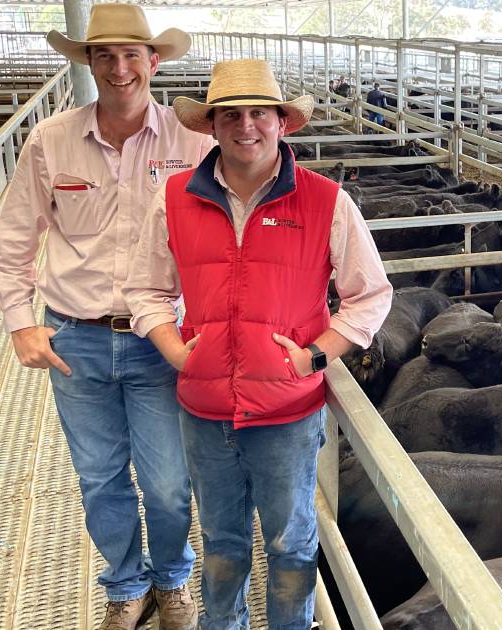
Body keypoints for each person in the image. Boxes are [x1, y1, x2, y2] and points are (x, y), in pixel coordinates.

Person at [123, 59, 392, 629]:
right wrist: (174, 349)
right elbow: (145, 287)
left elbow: (370, 295)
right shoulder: (173, 198)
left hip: (288, 413)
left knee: (292, 547)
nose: (247, 125)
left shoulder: (327, 201)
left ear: (282, 123)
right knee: (222, 545)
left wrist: (314, 355)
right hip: (205, 411)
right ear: (212, 126)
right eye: (231, 115)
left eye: (259, 113)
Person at [0, 4, 213, 629]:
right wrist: (19, 322)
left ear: (154, 62)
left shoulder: (195, 143)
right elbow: (10, 248)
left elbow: (237, 227)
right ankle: (125, 584)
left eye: (131, 55)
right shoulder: (51, 140)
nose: (119, 69)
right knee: (100, 478)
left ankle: (171, 578)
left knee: (167, 480)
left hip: (160, 339)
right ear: (87, 63)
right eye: (104, 56)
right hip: (74, 339)